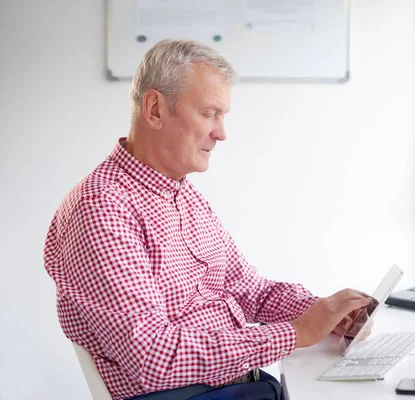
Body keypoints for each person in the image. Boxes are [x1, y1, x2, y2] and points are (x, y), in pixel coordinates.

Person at [43, 39, 372, 400]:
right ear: (154, 108)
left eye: (223, 116)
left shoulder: (183, 195)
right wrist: (293, 334)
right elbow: (154, 357)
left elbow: (248, 290)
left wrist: (322, 312)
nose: (221, 132)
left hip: (236, 387)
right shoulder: (102, 208)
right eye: (209, 113)